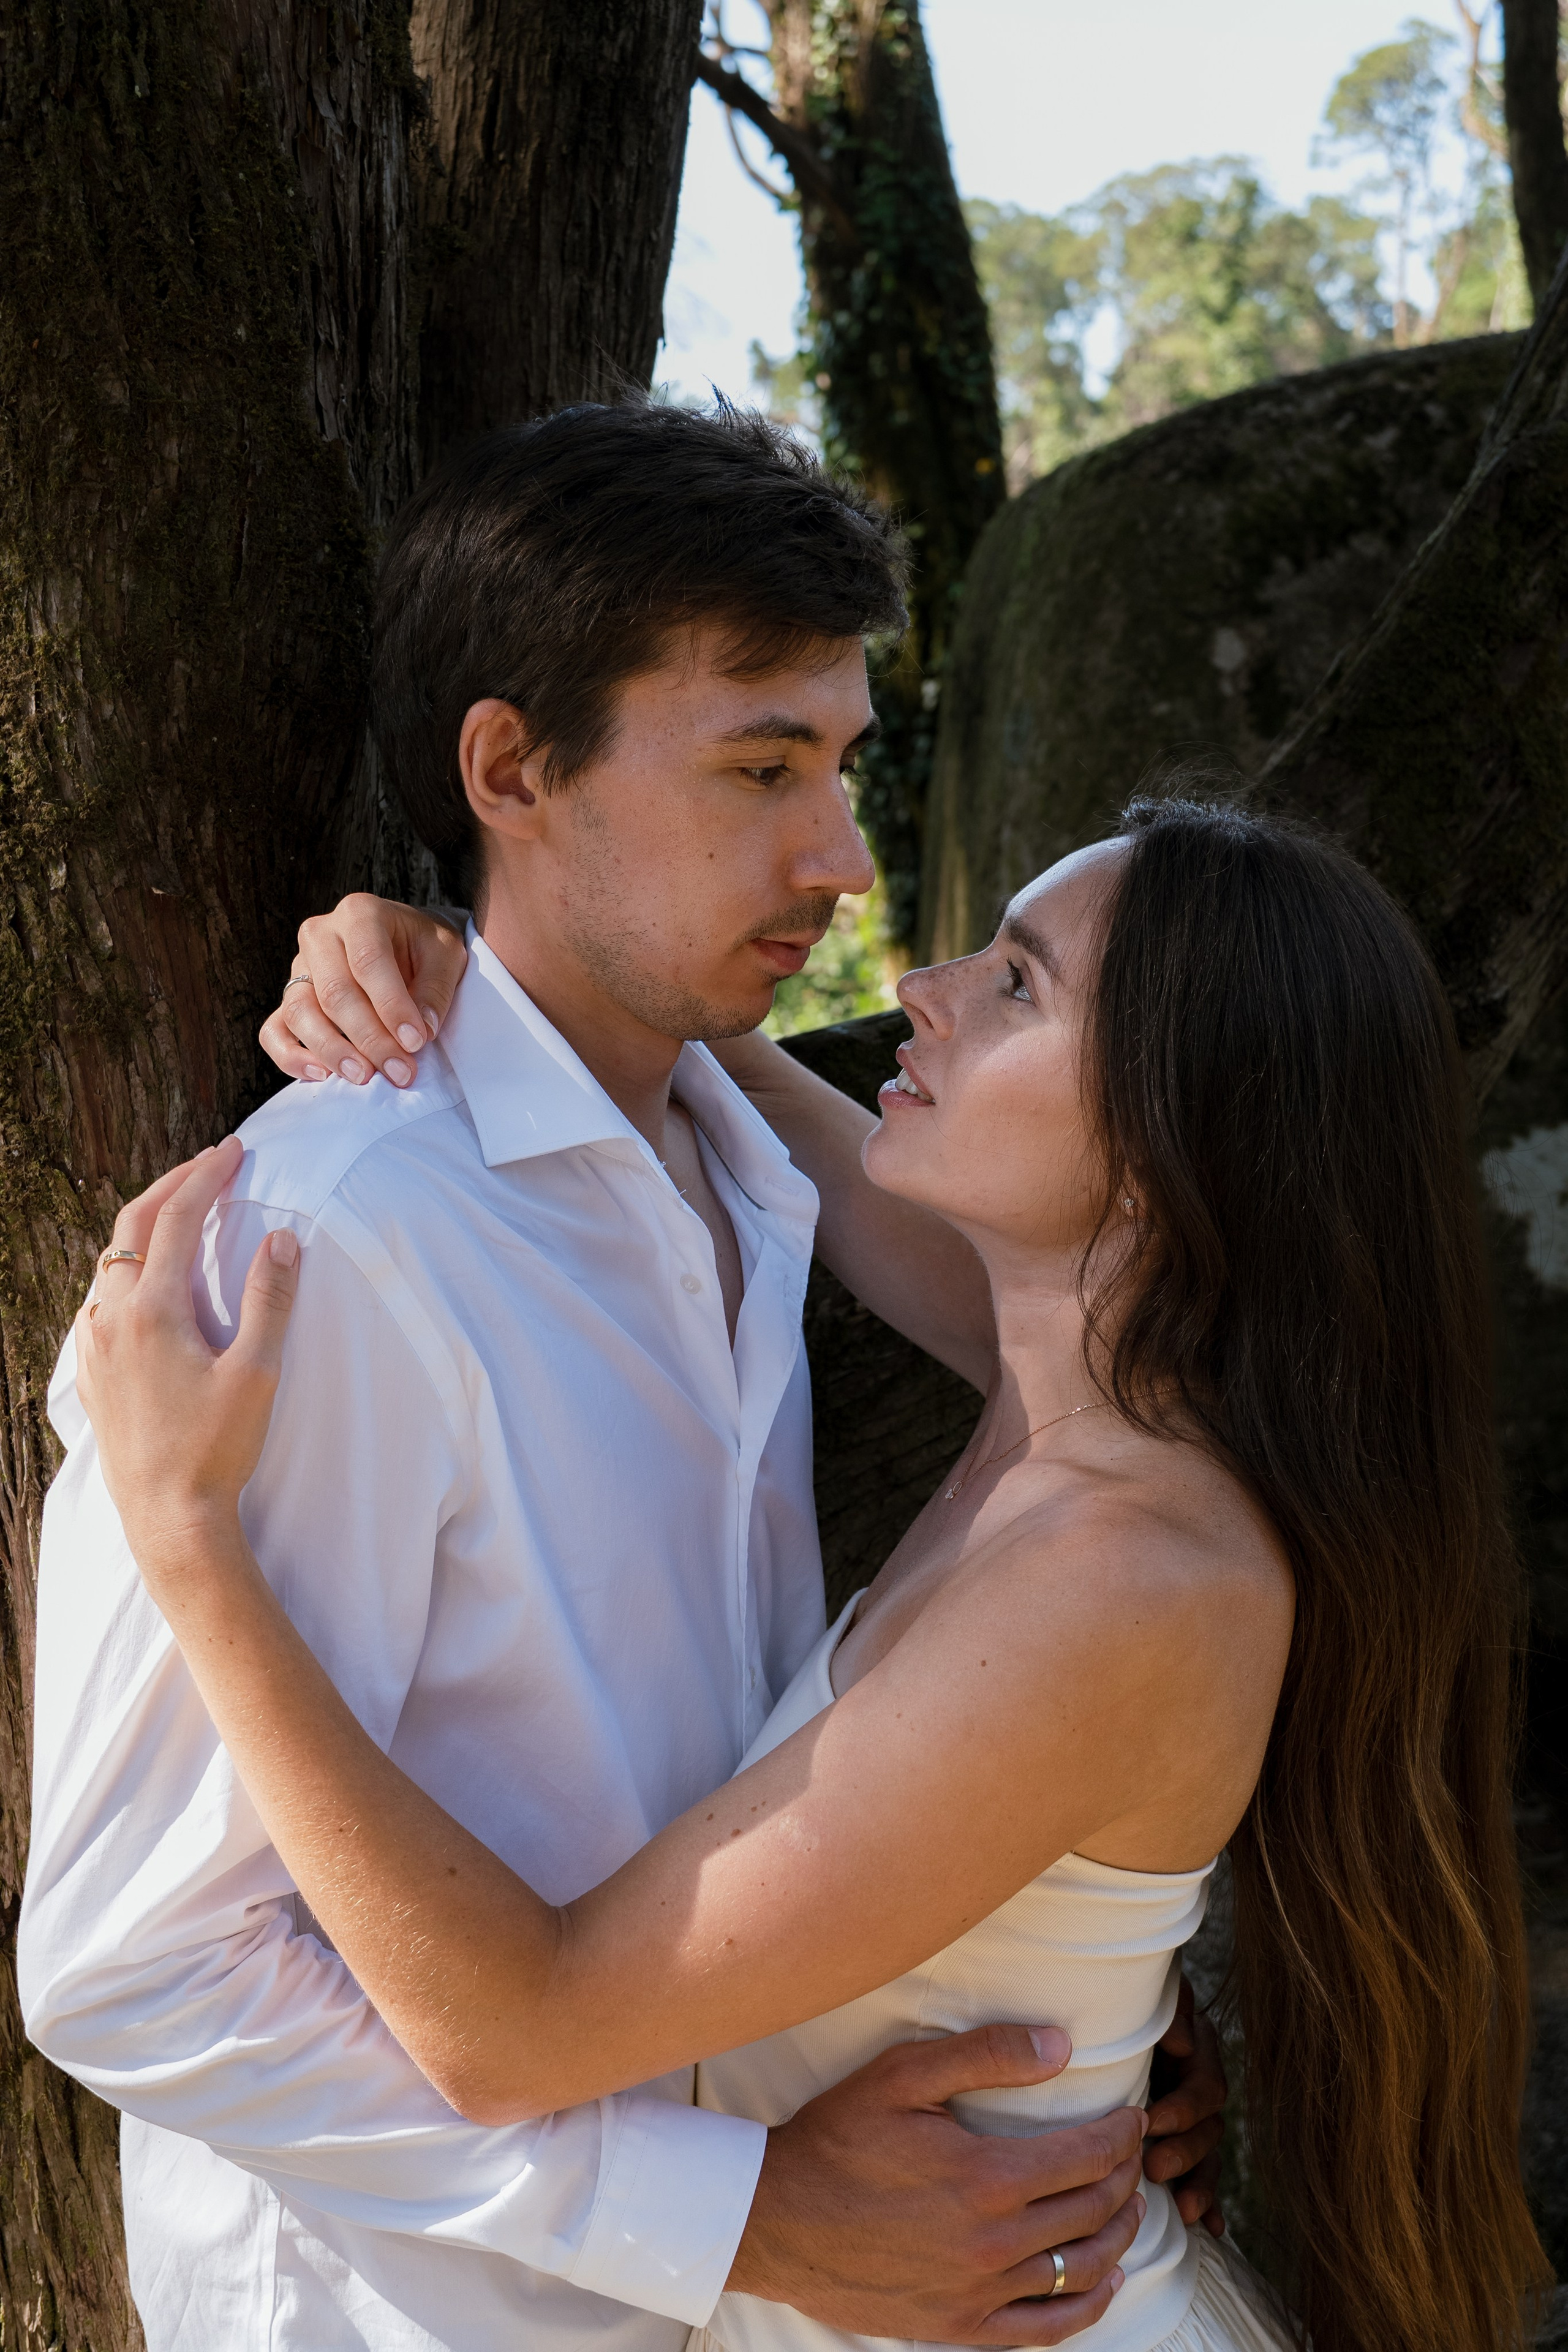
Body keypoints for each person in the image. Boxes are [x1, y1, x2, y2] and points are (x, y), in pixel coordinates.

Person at [18, 401, 1224, 2352]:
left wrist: (1090, 2043)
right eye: (761, 767)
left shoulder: (760, 1175)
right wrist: (741, 2222)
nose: (838, 860)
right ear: (511, 765)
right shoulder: (337, 1242)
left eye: (840, 764)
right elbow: (133, 1963)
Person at [61, 793, 1551, 2352]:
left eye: (1018, 987)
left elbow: (514, 2031)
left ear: (1181, 1137)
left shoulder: (1121, 1571)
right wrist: (492, 971)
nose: (927, 989)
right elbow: (720, 1078)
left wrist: (191, 1540)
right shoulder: (1085, 1399)